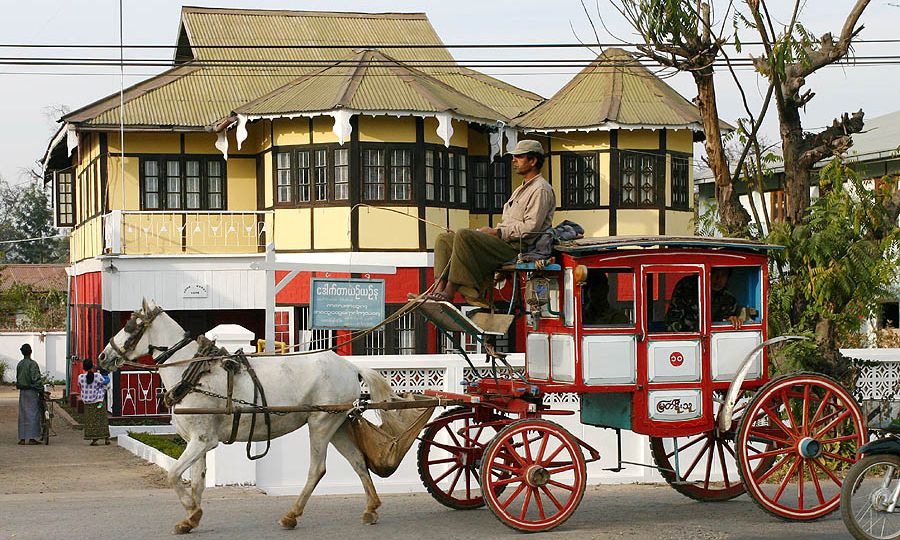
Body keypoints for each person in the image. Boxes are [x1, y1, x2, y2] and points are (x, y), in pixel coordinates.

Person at [431, 140, 555, 306]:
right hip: (503, 241)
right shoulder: (521, 189)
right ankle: (438, 288)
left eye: (519, 157)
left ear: (533, 161)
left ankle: (451, 291)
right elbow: (508, 222)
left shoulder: (540, 189)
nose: (514, 161)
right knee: (444, 239)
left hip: (517, 248)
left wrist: (497, 233)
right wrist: (490, 232)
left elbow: (531, 228)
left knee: (464, 235)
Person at [665, 268, 742, 332]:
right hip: (685, 340)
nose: (718, 279)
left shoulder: (728, 299)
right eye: (715, 273)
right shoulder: (687, 287)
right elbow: (673, 320)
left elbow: (725, 325)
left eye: (723, 275)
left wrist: (731, 321)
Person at [77, 358, 110, 446]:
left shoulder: (80, 377)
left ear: (83, 367)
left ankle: (94, 440)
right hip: (99, 401)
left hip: (88, 403)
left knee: (91, 421)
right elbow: (105, 382)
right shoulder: (98, 376)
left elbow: (80, 386)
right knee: (102, 419)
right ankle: (106, 439)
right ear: (92, 366)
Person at [16, 344, 43, 445]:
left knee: (23, 414)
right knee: (33, 413)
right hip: (32, 391)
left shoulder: (20, 364)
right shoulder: (33, 364)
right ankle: (32, 438)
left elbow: (18, 377)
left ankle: (22, 438)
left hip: (23, 392)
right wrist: (40, 389)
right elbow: (35, 378)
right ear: (31, 351)